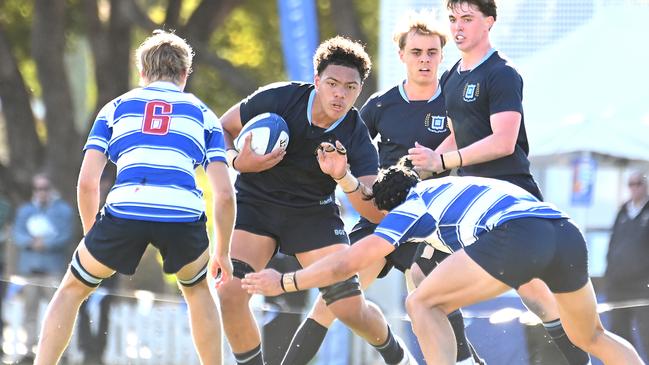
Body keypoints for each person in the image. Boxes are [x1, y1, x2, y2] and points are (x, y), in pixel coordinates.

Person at [242, 160, 646, 365]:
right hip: (564, 232)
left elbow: (348, 261)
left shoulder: (410, 208)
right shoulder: (446, 187)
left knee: (421, 302)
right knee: (592, 336)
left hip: (518, 234)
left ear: (388, 210)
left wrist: (286, 281)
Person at [281, 12, 482, 365]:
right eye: (416, 51)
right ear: (402, 55)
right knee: (334, 297)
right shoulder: (379, 105)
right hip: (382, 215)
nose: (424, 59)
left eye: (432, 52)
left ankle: (466, 361)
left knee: (425, 285)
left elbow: (475, 141)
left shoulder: (455, 101)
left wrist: (437, 157)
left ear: (441, 55)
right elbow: (347, 148)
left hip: (432, 221)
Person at [33, 30, 235, 365]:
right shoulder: (204, 114)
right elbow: (225, 194)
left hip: (126, 208)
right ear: (185, 74)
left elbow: (87, 182)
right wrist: (223, 252)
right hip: (181, 214)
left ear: (141, 72)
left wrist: (92, 235)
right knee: (199, 291)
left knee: (72, 290)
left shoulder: (115, 108)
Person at [211, 36, 416, 365]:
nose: (340, 94)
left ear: (359, 91)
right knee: (229, 294)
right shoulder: (280, 97)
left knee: (348, 308)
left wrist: (342, 176)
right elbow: (221, 128)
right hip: (257, 204)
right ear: (316, 80)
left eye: (350, 87)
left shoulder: (355, 135)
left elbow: (374, 213)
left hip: (312, 214)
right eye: (332, 83)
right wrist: (237, 161)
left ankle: (399, 359)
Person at [407, 1, 591, 364]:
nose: (457, 27)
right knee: (419, 275)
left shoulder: (503, 73)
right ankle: (465, 360)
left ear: (489, 22)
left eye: (468, 19)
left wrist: (442, 161)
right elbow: (461, 136)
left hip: (510, 198)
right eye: (453, 19)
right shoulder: (451, 76)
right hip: (469, 202)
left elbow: (503, 141)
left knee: (536, 296)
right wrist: (418, 168)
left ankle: (580, 359)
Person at [11, 173, 75, 363]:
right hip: (30, 270)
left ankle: (62, 352)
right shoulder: (25, 211)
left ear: (52, 189)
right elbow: (17, 234)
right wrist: (31, 242)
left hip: (53, 270)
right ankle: (29, 350)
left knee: (58, 313)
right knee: (29, 312)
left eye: (45, 188)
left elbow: (65, 235)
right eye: (38, 188)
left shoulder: (63, 211)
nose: (41, 192)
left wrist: (46, 244)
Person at [604, 171, 649, 359]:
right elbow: (613, 243)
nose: (634, 188)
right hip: (618, 285)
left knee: (646, 334)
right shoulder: (623, 211)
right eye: (630, 184)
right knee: (619, 337)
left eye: (638, 183)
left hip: (642, 288)